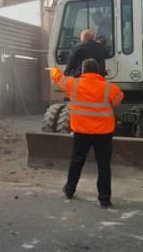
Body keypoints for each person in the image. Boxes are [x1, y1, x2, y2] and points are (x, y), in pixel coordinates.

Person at [50, 58, 124, 208]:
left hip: (82, 131)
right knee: (103, 165)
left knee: (77, 160)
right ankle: (104, 199)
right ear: (98, 71)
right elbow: (118, 99)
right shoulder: (110, 87)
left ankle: (70, 190)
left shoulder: (73, 84)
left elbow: (58, 80)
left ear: (83, 71)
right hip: (103, 133)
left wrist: (54, 70)